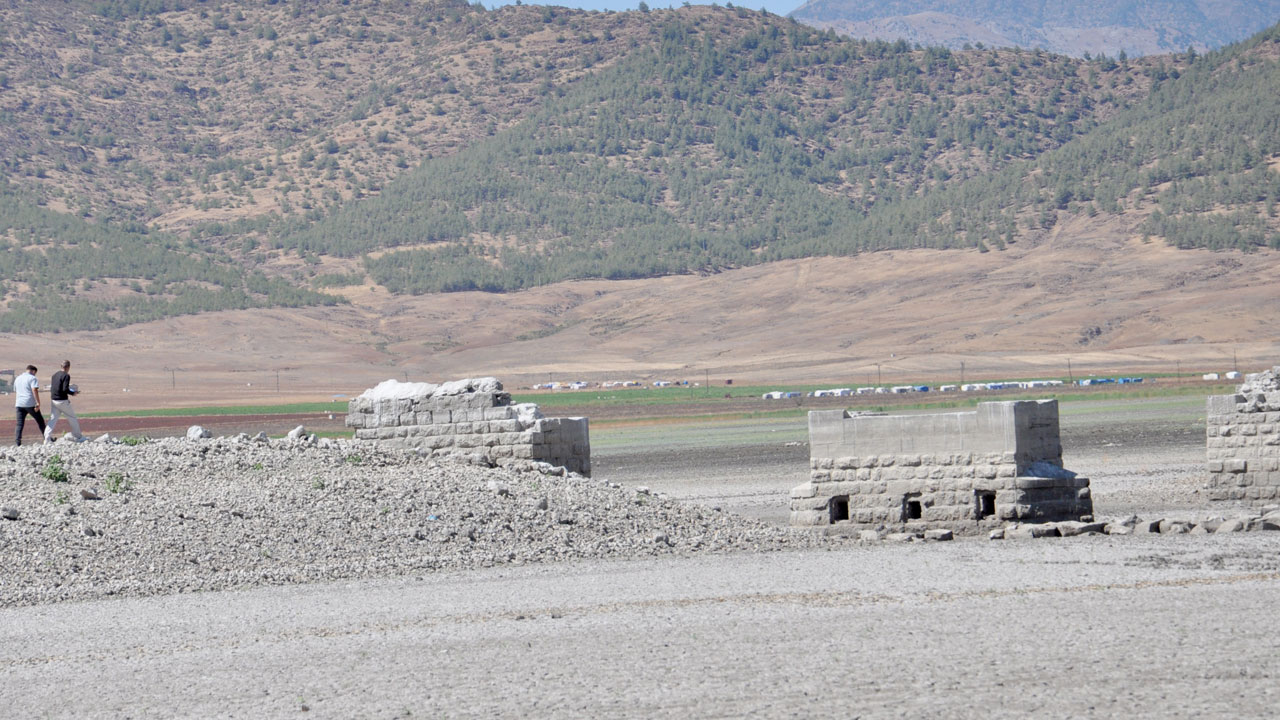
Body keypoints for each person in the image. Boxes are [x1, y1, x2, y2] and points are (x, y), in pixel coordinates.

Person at [45, 360, 86, 443]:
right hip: (62, 400)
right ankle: (78, 436)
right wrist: (73, 393)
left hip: (54, 400)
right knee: (72, 417)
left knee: (52, 419)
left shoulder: (54, 375)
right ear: (68, 367)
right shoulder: (66, 376)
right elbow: (65, 389)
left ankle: (47, 438)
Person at [13, 365, 45, 446]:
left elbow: (15, 390)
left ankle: (18, 442)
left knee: (19, 423)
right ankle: (47, 438)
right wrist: (38, 402)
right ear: (33, 371)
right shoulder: (32, 378)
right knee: (40, 421)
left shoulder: (18, 378)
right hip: (30, 404)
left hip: (19, 403)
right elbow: (34, 389)